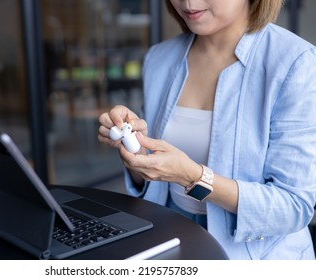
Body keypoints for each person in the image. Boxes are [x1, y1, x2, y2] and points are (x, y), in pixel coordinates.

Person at [98, 0, 316, 260]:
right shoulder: (159, 58)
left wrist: (193, 177)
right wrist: (134, 150)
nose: (188, 2)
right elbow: (153, 181)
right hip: (168, 237)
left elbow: (293, 206)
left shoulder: (295, 63)